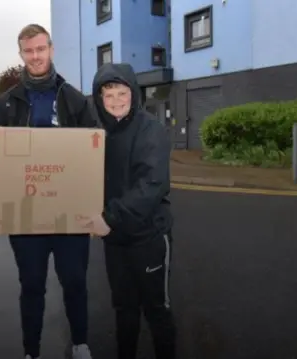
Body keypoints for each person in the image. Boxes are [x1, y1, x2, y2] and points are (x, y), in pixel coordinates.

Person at [0, 24, 97, 359]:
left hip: (69, 212)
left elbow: (92, 153)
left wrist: (93, 204)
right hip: (25, 213)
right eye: (28, 51)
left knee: (74, 282)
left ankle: (80, 343)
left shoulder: (74, 99)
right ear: (21, 55)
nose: (35, 56)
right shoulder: (5, 104)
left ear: (51, 49)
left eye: (40, 49)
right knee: (31, 285)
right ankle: (32, 350)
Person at [79, 63, 177, 359]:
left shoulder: (151, 130)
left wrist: (108, 218)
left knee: (156, 309)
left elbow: (153, 185)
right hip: (116, 241)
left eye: (122, 93)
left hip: (148, 238)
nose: (116, 101)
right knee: (124, 309)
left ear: (134, 93)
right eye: (108, 96)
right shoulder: (98, 136)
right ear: (99, 100)